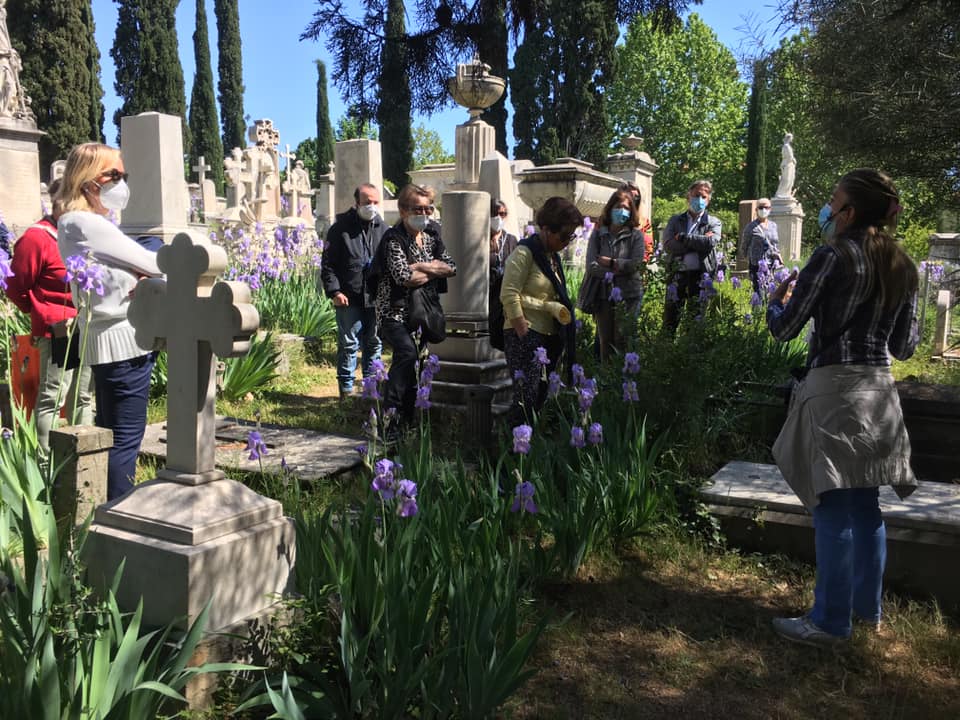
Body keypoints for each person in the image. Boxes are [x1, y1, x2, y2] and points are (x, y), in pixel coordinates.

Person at [766, 168, 919, 647]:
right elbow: (906, 345)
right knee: (866, 507)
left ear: (850, 212)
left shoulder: (832, 256)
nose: (827, 210)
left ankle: (830, 623)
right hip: (880, 391)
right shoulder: (903, 264)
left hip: (834, 390)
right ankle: (865, 611)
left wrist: (775, 303)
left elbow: (786, 329)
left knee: (830, 506)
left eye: (833, 201)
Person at [56, 142, 163, 501]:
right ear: (87, 181)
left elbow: (131, 267)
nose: (120, 183)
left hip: (112, 340)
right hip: (122, 340)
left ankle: (110, 514)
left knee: (115, 433)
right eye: (112, 175)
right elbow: (155, 264)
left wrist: (141, 273)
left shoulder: (80, 222)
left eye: (123, 175)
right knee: (124, 442)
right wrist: (148, 269)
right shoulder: (84, 223)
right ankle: (120, 514)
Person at [4, 179, 94, 453]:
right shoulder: (37, 238)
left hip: (87, 323)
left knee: (84, 396)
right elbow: (16, 286)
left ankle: (86, 458)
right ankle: (46, 462)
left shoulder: (81, 235)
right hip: (57, 328)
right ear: (58, 202)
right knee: (53, 396)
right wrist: (41, 311)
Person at [375, 184, 456, 434]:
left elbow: (451, 266)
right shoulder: (393, 239)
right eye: (417, 209)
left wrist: (420, 266)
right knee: (407, 354)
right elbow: (402, 276)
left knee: (417, 365)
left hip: (421, 312)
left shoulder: (432, 234)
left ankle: (406, 422)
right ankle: (389, 418)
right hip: (393, 313)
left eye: (427, 208)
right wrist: (431, 266)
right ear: (402, 211)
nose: (424, 213)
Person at [500, 196, 580, 427]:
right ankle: (513, 449)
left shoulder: (551, 257)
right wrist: (522, 326)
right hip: (525, 332)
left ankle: (529, 448)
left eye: (571, 236)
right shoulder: (525, 253)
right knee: (526, 396)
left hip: (547, 334)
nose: (567, 241)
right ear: (546, 229)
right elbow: (508, 293)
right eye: (564, 235)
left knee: (540, 395)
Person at [321, 183, 386, 398]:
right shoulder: (339, 229)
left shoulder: (383, 229)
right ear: (356, 202)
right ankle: (346, 391)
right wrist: (334, 292)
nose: (372, 206)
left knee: (374, 343)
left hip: (375, 297)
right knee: (349, 344)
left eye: (375, 202)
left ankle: (370, 388)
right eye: (367, 202)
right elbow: (328, 265)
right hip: (348, 297)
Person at [581, 188, 652, 362]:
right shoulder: (598, 234)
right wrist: (614, 273)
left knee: (623, 340)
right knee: (606, 341)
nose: (623, 211)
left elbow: (636, 263)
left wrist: (612, 263)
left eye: (627, 208)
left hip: (628, 294)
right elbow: (591, 265)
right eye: (619, 207)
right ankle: (606, 382)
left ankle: (623, 380)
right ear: (611, 208)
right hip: (603, 294)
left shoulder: (636, 235)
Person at [661, 179, 722, 333]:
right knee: (671, 319)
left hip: (701, 277)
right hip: (677, 275)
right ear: (688, 197)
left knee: (696, 321)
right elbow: (669, 245)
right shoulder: (675, 220)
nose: (699, 200)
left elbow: (710, 243)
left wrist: (682, 237)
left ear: (708, 200)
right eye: (696, 195)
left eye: (703, 197)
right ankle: (667, 351)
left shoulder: (713, 222)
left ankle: (692, 354)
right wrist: (698, 243)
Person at [741, 197, 781, 293]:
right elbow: (744, 245)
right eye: (761, 207)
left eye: (766, 207)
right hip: (756, 265)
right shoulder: (751, 227)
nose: (764, 210)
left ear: (770, 209)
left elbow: (775, 243)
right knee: (759, 291)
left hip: (771, 263)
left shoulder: (773, 225)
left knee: (771, 291)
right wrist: (748, 259)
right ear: (756, 209)